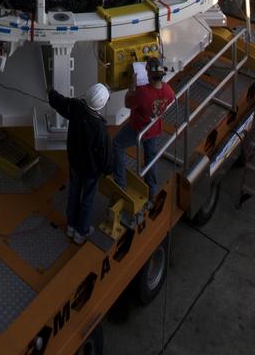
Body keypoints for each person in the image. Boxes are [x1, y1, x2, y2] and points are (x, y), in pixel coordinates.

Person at [48, 82, 111, 244]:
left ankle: (71, 226)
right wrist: (107, 170)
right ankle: (81, 232)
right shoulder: (100, 129)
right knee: (87, 199)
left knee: (74, 193)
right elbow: (104, 157)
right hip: (90, 171)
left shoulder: (76, 108)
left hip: (75, 163)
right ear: (102, 104)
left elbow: (60, 102)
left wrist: (51, 92)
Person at [112, 57, 175, 199]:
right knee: (150, 158)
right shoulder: (169, 92)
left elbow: (128, 103)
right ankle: (152, 190)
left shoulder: (143, 93)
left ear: (150, 75)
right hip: (154, 128)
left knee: (117, 144)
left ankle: (120, 183)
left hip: (137, 128)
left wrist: (132, 86)